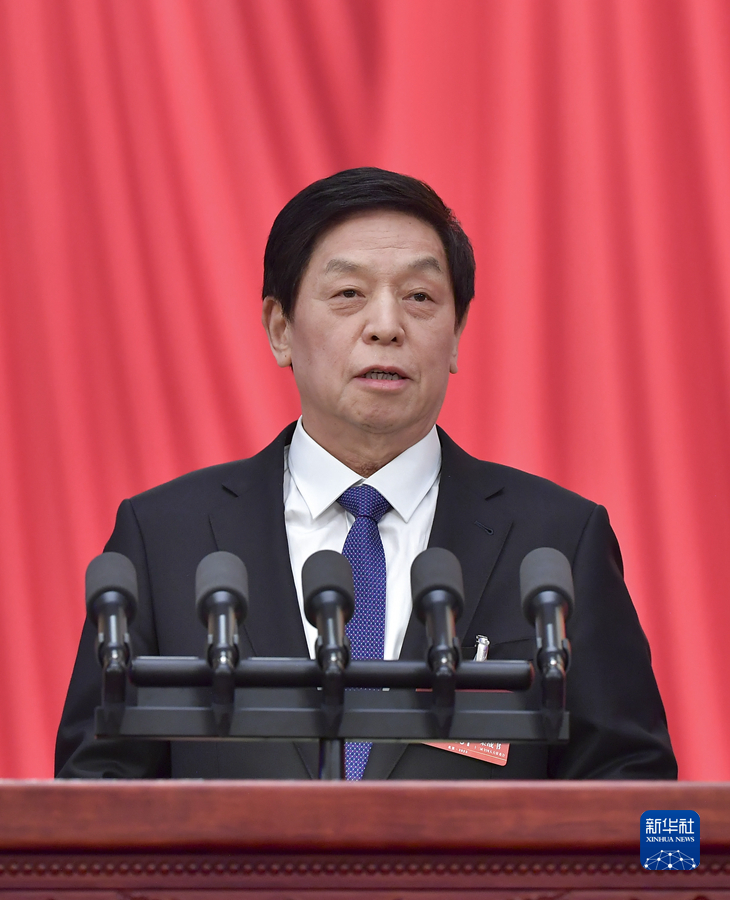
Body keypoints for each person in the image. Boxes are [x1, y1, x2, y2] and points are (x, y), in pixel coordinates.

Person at [56, 167, 677, 780]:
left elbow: (638, 794)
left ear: (456, 334)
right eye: (349, 294)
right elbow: (93, 796)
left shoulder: (558, 541)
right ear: (280, 329)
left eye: (420, 298)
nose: (385, 326)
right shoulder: (165, 537)